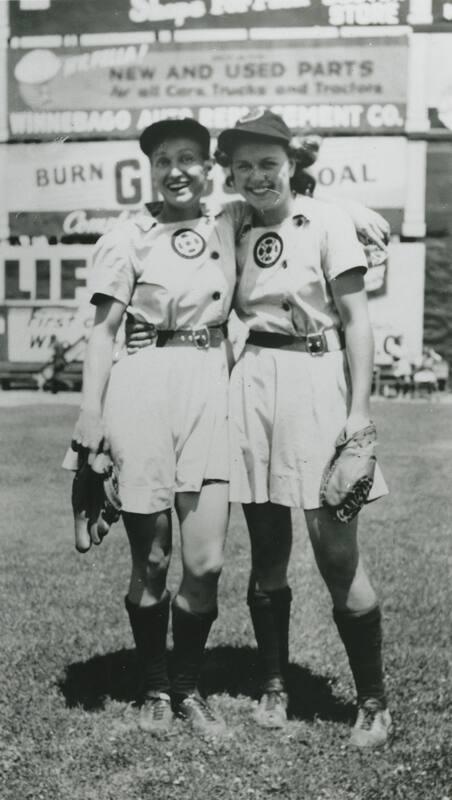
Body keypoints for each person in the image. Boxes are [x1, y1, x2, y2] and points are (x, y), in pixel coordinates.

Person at [213, 109, 392, 747]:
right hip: (253, 381)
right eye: (244, 166)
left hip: (319, 379)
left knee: (336, 551)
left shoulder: (328, 221)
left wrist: (360, 412)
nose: (257, 176)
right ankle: (273, 684)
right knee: (266, 551)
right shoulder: (230, 224)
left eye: (269, 163)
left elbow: (357, 319)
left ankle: (371, 701)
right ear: (229, 174)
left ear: (292, 166)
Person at [69, 118, 238, 737]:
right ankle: (157, 691)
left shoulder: (228, 223)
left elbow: (317, 217)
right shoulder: (128, 235)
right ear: (150, 167)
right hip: (142, 385)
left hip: (209, 387)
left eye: (189, 158)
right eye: (163, 159)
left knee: (208, 561)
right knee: (154, 558)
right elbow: (103, 331)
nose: (176, 170)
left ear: (208, 167)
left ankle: (190, 689)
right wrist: (92, 412)